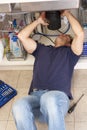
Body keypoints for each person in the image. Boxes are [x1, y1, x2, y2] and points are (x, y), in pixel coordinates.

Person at [12, 10, 84, 130]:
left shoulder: (71, 54)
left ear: (69, 44)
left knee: (48, 98)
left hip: (57, 99)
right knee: (18, 106)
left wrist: (66, 13)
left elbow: (80, 33)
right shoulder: (41, 49)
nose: (63, 35)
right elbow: (21, 36)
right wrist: (38, 21)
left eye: (67, 37)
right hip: (35, 99)